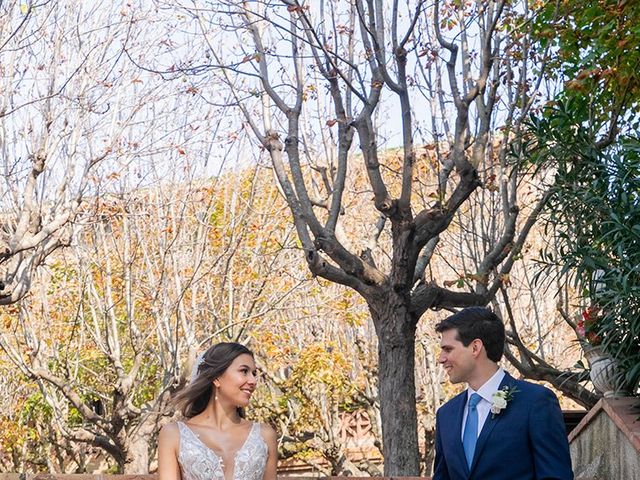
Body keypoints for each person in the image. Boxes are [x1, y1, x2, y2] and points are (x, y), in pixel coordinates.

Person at [433, 306, 573, 480]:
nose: (441, 358)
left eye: (448, 349)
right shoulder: (446, 415)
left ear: (475, 347)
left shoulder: (535, 402)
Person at [158, 342, 278, 480]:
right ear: (216, 378)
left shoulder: (265, 436)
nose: (253, 381)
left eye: (254, 373)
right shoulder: (173, 434)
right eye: (244, 371)